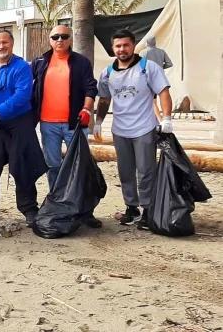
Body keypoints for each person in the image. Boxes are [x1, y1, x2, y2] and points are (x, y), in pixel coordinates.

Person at [95, 29, 173, 228]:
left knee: (146, 170)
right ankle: (131, 207)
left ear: (133, 45)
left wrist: (167, 118)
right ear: (113, 48)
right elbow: (104, 99)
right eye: (118, 46)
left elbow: (163, 92)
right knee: (125, 171)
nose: (122, 49)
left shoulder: (148, 68)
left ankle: (148, 209)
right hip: (120, 130)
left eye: (126, 45)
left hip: (144, 128)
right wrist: (98, 122)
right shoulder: (108, 73)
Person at [0, 31, 47, 226]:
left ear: (12, 44)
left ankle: (29, 207)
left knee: (22, 167)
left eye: (5, 42)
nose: (1, 46)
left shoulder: (22, 67)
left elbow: (23, 95)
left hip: (18, 123)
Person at [30, 25, 102, 228]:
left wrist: (87, 109)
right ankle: (58, 205)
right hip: (47, 124)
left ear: (70, 39)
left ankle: (85, 210)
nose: (59, 40)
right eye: (55, 37)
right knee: (53, 166)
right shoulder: (40, 62)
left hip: (74, 124)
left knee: (80, 167)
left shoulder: (81, 62)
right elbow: (30, 89)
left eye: (64, 36)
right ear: (49, 39)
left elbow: (90, 88)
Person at [139, 35, 174, 121]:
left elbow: (141, 66)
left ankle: (159, 119)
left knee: (151, 100)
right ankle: (164, 117)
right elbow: (170, 63)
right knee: (162, 96)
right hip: (160, 77)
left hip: (148, 78)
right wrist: (160, 67)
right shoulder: (161, 52)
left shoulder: (143, 52)